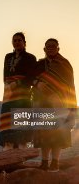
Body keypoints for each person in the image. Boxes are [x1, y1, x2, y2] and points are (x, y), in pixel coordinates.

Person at [32, 38, 77, 172]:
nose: (50, 48)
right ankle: (44, 162)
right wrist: (37, 83)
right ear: (44, 49)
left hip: (60, 102)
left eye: (53, 46)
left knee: (58, 133)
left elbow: (70, 86)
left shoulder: (65, 64)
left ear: (58, 48)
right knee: (44, 132)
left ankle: (55, 162)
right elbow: (31, 78)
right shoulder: (39, 64)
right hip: (42, 103)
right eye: (48, 46)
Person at [0, 32, 36, 151]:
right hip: (9, 93)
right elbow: (5, 74)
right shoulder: (8, 57)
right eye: (15, 40)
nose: (17, 42)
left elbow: (31, 76)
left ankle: (21, 150)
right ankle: (7, 149)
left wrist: (17, 83)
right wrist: (7, 85)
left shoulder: (30, 58)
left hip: (23, 95)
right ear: (12, 43)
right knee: (7, 120)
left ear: (24, 43)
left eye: (19, 40)